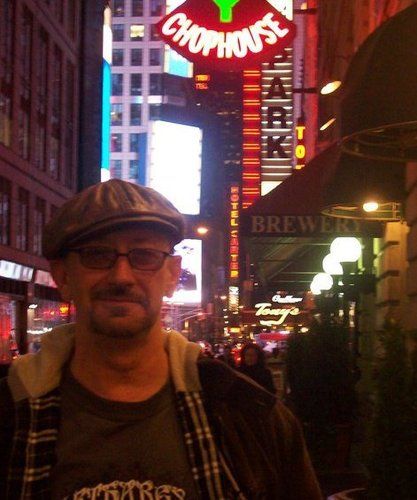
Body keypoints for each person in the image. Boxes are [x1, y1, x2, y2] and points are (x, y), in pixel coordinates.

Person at [0, 179, 322, 499]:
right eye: (96, 255)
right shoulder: (10, 415)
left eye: (144, 256)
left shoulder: (251, 415)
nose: (121, 276)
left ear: (172, 274)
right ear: (63, 276)